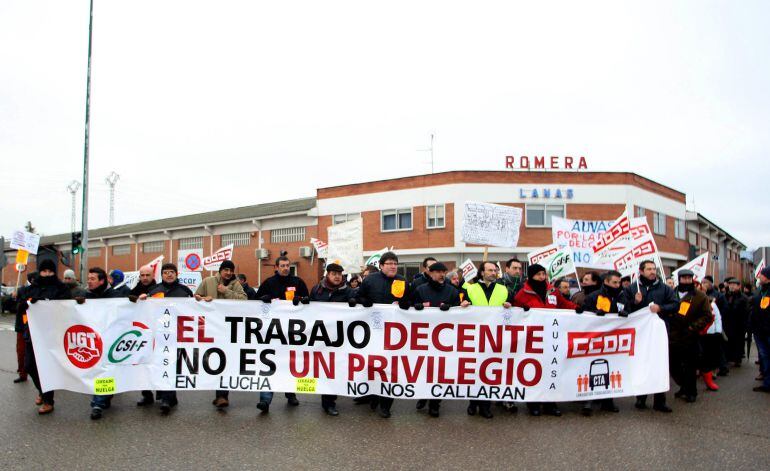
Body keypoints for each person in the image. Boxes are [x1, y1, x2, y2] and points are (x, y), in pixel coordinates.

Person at [349, 251, 412, 418]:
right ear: (382, 265)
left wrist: (405, 304)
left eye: (395, 263)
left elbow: (410, 301)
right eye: (389, 263)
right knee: (373, 366)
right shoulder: (370, 280)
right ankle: (373, 395)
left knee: (391, 369)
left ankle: (386, 405)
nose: (393, 266)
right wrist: (365, 301)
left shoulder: (402, 281)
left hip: (394, 333)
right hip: (373, 331)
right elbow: (359, 297)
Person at [514, 264, 578, 417]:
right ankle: (533, 403)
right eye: (538, 274)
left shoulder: (553, 291)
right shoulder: (522, 294)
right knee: (534, 371)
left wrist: (578, 308)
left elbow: (565, 305)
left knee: (551, 371)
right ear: (531, 276)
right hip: (532, 340)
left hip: (552, 338)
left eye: (544, 274)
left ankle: (551, 403)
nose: (542, 277)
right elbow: (516, 315)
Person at [619, 261, 679, 412]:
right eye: (649, 269)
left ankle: (660, 401)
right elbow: (621, 307)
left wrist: (661, 308)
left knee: (659, 365)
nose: (653, 272)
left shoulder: (664, 288)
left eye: (654, 269)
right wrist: (634, 302)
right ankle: (641, 398)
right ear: (641, 271)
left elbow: (676, 304)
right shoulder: (632, 288)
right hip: (640, 334)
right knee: (641, 364)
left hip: (658, 333)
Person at [138, 263, 194, 414]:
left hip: (177, 335)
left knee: (170, 366)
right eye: (166, 272)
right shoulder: (154, 291)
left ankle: (167, 399)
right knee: (159, 365)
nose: (169, 275)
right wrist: (141, 300)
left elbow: (194, 310)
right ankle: (168, 397)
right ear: (161, 275)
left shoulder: (185, 291)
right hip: (158, 336)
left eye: (172, 272)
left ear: (177, 274)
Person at [254, 255, 308, 409]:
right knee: (268, 364)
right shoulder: (269, 283)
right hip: (272, 332)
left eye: (287, 265)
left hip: (292, 332)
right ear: (276, 267)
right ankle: (265, 399)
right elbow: (255, 302)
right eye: (282, 265)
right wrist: (262, 299)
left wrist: (301, 299)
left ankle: (290, 394)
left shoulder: (298, 282)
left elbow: (308, 300)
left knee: (290, 363)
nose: (285, 268)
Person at [463, 261, 515, 418]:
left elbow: (515, 308)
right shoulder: (470, 289)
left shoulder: (503, 289)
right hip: (474, 336)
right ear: (481, 272)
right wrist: (463, 304)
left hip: (495, 337)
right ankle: (473, 403)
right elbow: (461, 308)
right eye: (490, 270)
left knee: (488, 372)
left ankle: (485, 406)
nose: (494, 273)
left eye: (495, 270)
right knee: (473, 372)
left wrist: (510, 305)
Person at [18, 260, 71, 414]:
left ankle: (49, 401)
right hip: (33, 334)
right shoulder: (32, 288)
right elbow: (20, 307)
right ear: (39, 272)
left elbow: (66, 306)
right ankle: (42, 390)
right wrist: (27, 303)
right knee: (29, 366)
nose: (47, 274)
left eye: (50, 271)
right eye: (44, 271)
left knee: (47, 368)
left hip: (52, 335)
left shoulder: (61, 288)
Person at [195, 260, 246, 410]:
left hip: (229, 329)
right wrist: (202, 298)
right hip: (210, 328)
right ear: (220, 270)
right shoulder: (207, 281)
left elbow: (244, 300)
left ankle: (222, 396)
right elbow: (196, 297)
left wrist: (226, 291)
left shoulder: (236, 284)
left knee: (225, 361)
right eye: (226, 270)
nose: (228, 273)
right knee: (211, 360)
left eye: (231, 270)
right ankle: (218, 395)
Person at [412, 262, 461, 418]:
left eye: (443, 272)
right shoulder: (420, 290)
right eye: (438, 272)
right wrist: (416, 306)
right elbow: (409, 308)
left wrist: (452, 309)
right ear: (430, 273)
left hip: (444, 339)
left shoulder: (452, 291)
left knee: (439, 372)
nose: (441, 275)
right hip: (423, 338)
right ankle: (423, 396)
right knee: (423, 370)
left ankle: (435, 403)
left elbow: (460, 312)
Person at [308, 262, 354, 416]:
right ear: (327, 274)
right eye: (334, 274)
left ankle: (330, 402)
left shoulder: (348, 291)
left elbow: (359, 308)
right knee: (323, 369)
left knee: (335, 370)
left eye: (339, 274)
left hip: (340, 339)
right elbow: (309, 308)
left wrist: (356, 303)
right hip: (320, 337)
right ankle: (326, 400)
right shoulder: (317, 289)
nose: (337, 277)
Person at [581, 270, 626, 415]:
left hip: (612, 341)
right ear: (606, 282)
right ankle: (587, 402)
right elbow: (583, 314)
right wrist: (594, 313)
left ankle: (608, 401)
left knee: (610, 368)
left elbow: (629, 311)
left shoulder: (622, 297)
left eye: (619, 282)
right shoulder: (594, 296)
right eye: (614, 282)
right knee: (589, 368)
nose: (617, 285)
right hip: (594, 340)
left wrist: (626, 313)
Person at [668, 270, 712, 403]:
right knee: (673, 366)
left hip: (690, 336)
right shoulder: (671, 294)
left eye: (689, 278)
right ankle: (684, 386)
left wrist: (693, 327)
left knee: (690, 366)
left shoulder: (700, 296)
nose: (686, 281)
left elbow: (707, 316)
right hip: (673, 337)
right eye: (684, 278)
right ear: (679, 279)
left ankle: (691, 391)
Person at [86, 267, 123, 420]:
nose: (89, 281)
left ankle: (98, 403)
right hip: (92, 340)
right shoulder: (86, 295)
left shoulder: (115, 296)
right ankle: (103, 398)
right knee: (97, 369)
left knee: (105, 370)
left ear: (102, 281)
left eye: (92, 279)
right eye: (88, 278)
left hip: (110, 340)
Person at [698, 281, 722, 392]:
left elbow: (717, 318)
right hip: (694, 334)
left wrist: (718, 331)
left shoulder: (711, 304)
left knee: (708, 355)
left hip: (710, 334)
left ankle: (709, 377)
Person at [12, 272, 36, 384]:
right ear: (31, 279)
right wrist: (18, 300)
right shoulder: (21, 290)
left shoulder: (41, 289)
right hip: (22, 326)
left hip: (36, 326)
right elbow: (16, 307)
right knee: (21, 351)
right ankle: (22, 373)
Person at [750, 267, 770, 393]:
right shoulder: (760, 291)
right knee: (765, 358)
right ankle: (767, 383)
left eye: (761, 275)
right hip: (759, 331)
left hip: (768, 331)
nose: (759, 277)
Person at [724, 277, 749, 368]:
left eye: (734, 285)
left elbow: (745, 312)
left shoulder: (743, 298)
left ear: (739, 286)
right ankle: (730, 358)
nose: (732, 287)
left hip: (739, 324)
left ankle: (737, 359)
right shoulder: (727, 295)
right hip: (728, 323)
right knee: (729, 341)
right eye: (730, 285)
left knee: (738, 342)